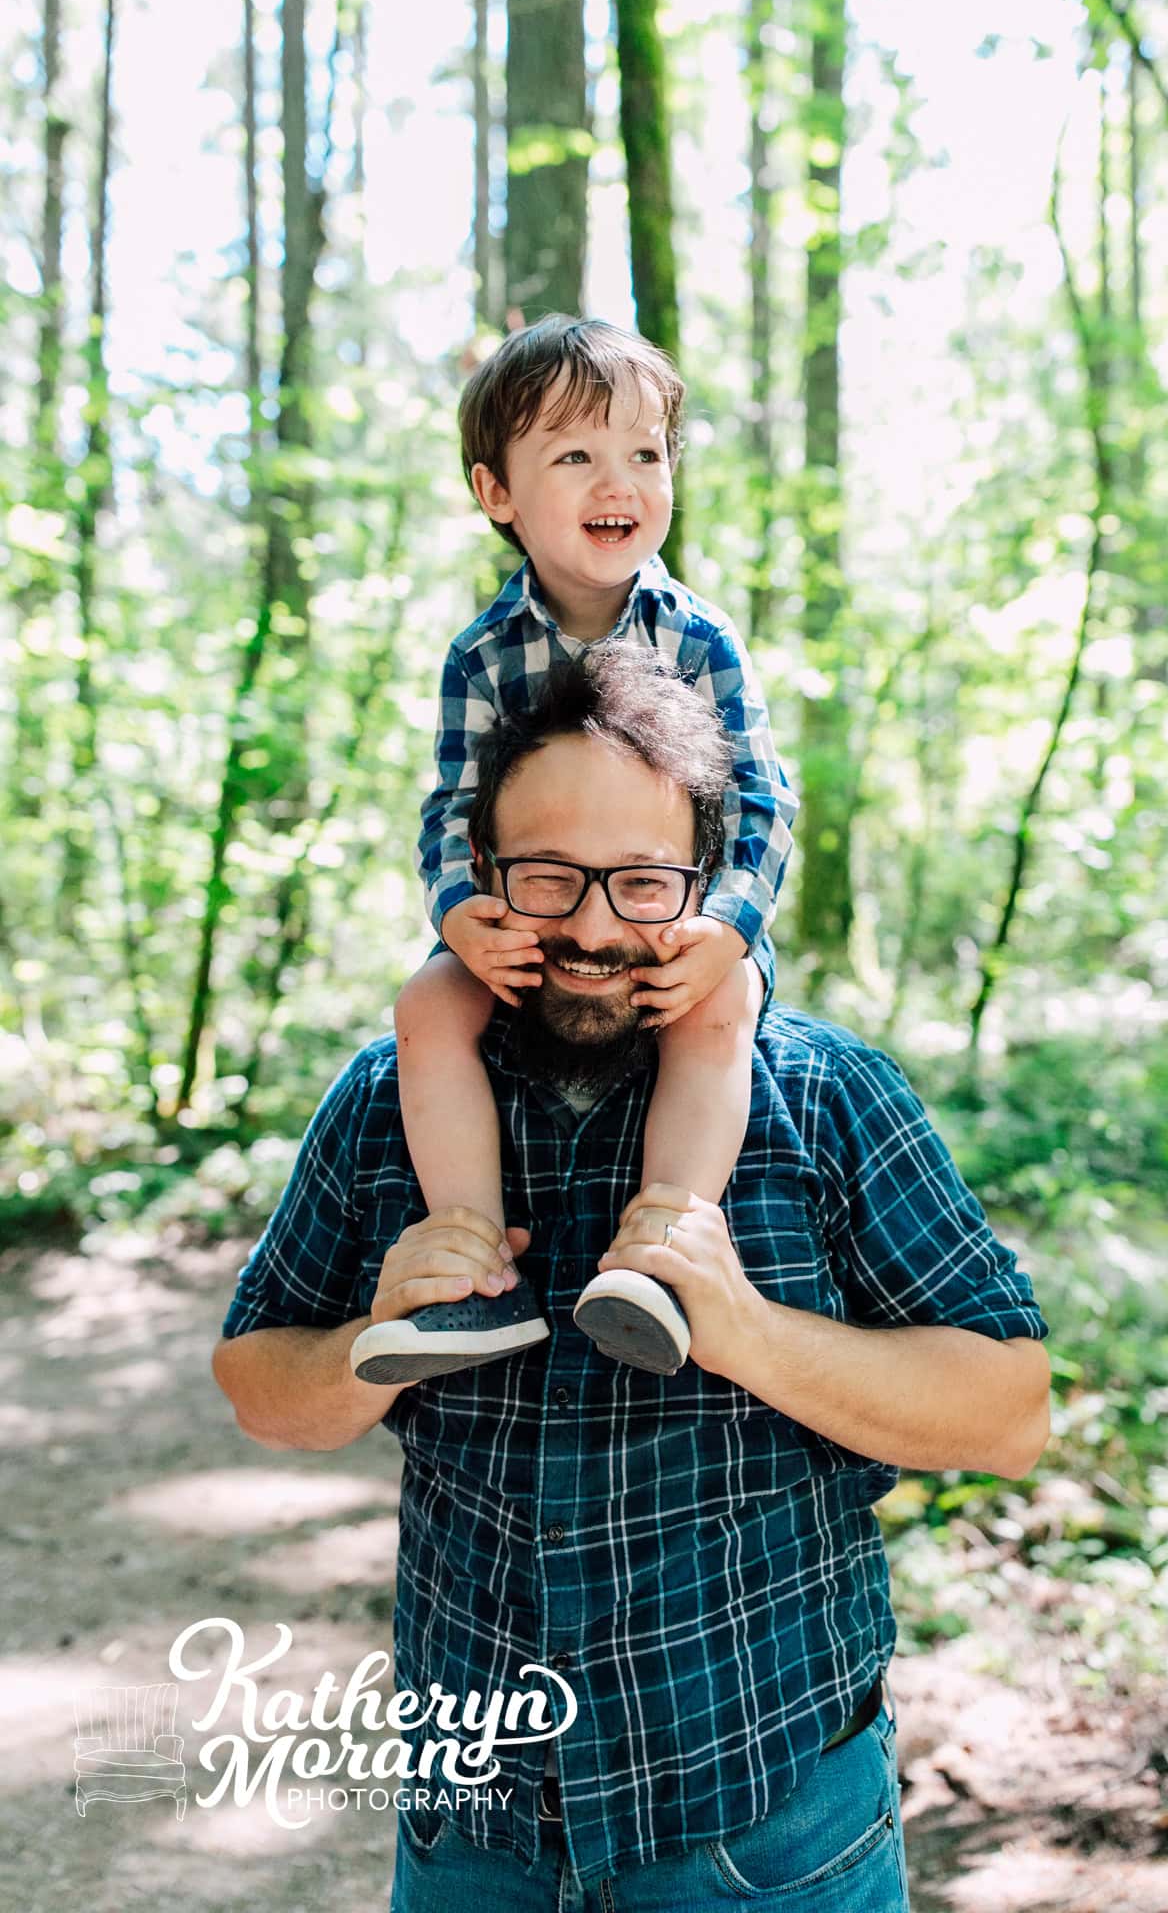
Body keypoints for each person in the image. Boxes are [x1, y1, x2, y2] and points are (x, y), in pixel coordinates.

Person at [213, 644, 1052, 1913]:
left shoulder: (825, 1094)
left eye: (643, 882)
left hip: (767, 1835)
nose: (595, 925)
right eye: (547, 876)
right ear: (476, 878)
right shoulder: (391, 1097)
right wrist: (359, 1345)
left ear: (706, 888)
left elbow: (1011, 1413)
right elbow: (256, 1383)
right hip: (469, 1838)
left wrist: (750, 1332)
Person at [365, 313, 797, 1384]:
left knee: (722, 1007)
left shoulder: (698, 639)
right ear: (496, 493)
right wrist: (461, 909)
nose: (622, 481)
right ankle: (472, 1263)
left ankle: (662, 1250)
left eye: (645, 454)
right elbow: (451, 807)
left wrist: (726, 928)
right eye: (576, 455)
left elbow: (762, 800)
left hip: (675, 918)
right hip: (532, 918)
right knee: (426, 1009)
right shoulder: (482, 652)